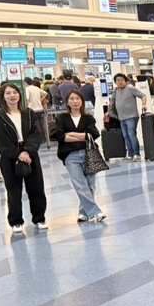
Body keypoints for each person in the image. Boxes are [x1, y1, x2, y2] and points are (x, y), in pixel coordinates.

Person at [0, 83, 47, 234]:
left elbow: (37, 133)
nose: (12, 96)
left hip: (30, 155)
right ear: (3, 97)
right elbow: (0, 140)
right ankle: (16, 221)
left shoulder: (28, 113)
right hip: (10, 157)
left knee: (36, 188)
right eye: (8, 93)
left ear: (19, 95)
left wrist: (27, 151)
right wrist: (18, 154)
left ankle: (39, 218)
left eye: (15, 92)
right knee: (13, 190)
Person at [52, 89, 105, 223]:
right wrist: (83, 136)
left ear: (82, 101)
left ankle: (83, 212)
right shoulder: (62, 118)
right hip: (71, 156)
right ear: (67, 102)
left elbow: (93, 134)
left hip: (89, 154)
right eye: (72, 99)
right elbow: (59, 135)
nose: (75, 101)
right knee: (80, 185)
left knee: (90, 185)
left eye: (78, 99)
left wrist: (70, 134)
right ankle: (94, 213)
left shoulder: (88, 118)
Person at [110, 73, 147, 161]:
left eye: (122, 80)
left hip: (132, 117)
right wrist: (109, 112)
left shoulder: (130, 88)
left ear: (125, 81)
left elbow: (143, 95)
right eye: (118, 80)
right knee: (126, 136)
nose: (120, 82)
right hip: (121, 117)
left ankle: (136, 154)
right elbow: (112, 102)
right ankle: (130, 154)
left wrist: (144, 104)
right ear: (115, 82)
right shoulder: (115, 91)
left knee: (131, 135)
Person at [23, 76, 47, 141]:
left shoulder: (27, 89)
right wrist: (40, 100)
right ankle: (43, 138)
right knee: (41, 125)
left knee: (36, 126)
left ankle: (38, 139)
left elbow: (27, 99)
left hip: (32, 109)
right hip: (40, 108)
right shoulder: (36, 88)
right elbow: (45, 93)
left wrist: (27, 106)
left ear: (25, 82)